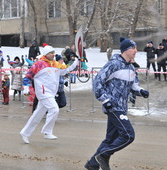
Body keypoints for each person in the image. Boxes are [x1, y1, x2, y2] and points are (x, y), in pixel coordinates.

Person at [84, 37, 149, 170]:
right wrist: (105, 100)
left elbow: (133, 85)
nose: (136, 51)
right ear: (125, 50)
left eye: (136, 48)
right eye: (133, 48)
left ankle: (92, 164)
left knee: (110, 139)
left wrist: (140, 91)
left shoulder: (131, 67)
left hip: (122, 107)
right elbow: (98, 82)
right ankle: (103, 155)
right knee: (128, 135)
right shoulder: (113, 64)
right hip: (113, 106)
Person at [19, 45, 79, 144]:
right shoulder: (39, 64)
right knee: (54, 109)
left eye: (53, 52)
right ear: (46, 54)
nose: (53, 54)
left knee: (37, 114)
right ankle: (47, 132)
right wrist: (26, 87)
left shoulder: (55, 64)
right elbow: (28, 76)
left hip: (51, 92)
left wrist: (76, 61)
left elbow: (66, 69)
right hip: (43, 92)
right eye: (51, 53)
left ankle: (25, 133)